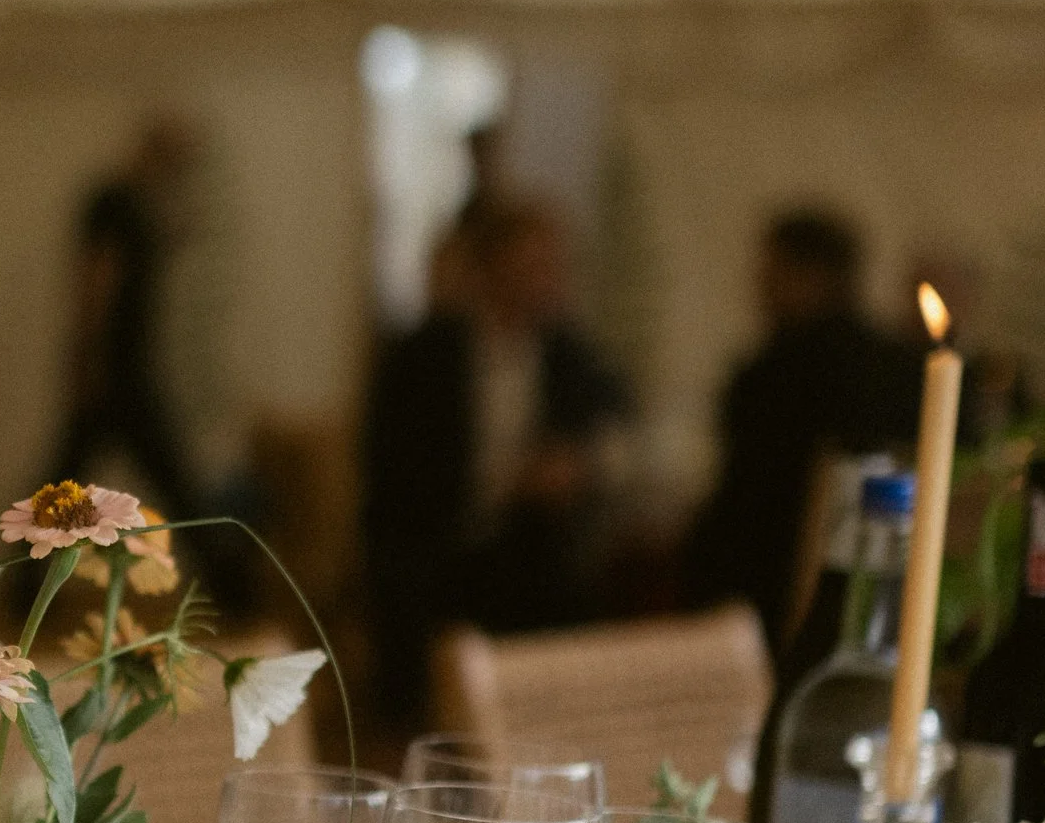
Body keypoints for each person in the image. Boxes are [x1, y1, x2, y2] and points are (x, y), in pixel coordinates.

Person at [361, 198, 628, 729]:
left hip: (527, 552)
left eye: (554, 266)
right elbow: (389, 473)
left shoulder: (570, 356)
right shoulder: (424, 355)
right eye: (532, 267)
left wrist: (577, 466)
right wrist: (496, 483)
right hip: (436, 543)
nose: (548, 281)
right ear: (489, 270)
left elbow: (619, 431)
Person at [682, 210, 921, 653]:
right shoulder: (898, 366)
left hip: (773, 591)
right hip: (877, 596)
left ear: (810, 275)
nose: (758, 284)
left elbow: (745, 504)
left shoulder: (778, 373)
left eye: (771, 270)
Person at [50, 114, 200, 524]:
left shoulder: (137, 205)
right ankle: (230, 574)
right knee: (173, 483)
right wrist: (89, 356)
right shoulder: (116, 203)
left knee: (66, 482)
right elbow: (97, 282)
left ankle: (28, 573)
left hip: (127, 368)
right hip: (118, 370)